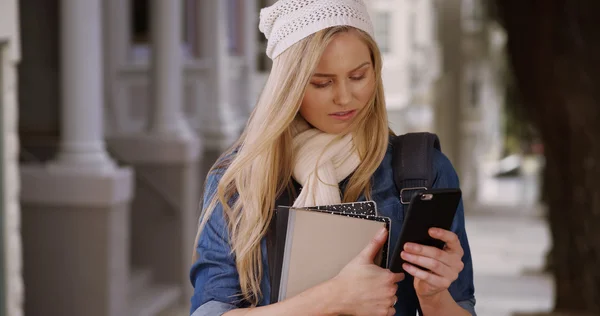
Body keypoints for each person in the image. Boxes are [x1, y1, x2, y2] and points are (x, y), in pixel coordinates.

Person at [189, 0, 476, 315]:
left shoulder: (422, 173)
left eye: (358, 76)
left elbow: (462, 307)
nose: (344, 97)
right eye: (321, 82)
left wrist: (434, 297)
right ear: (289, 87)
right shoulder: (239, 180)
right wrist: (334, 297)